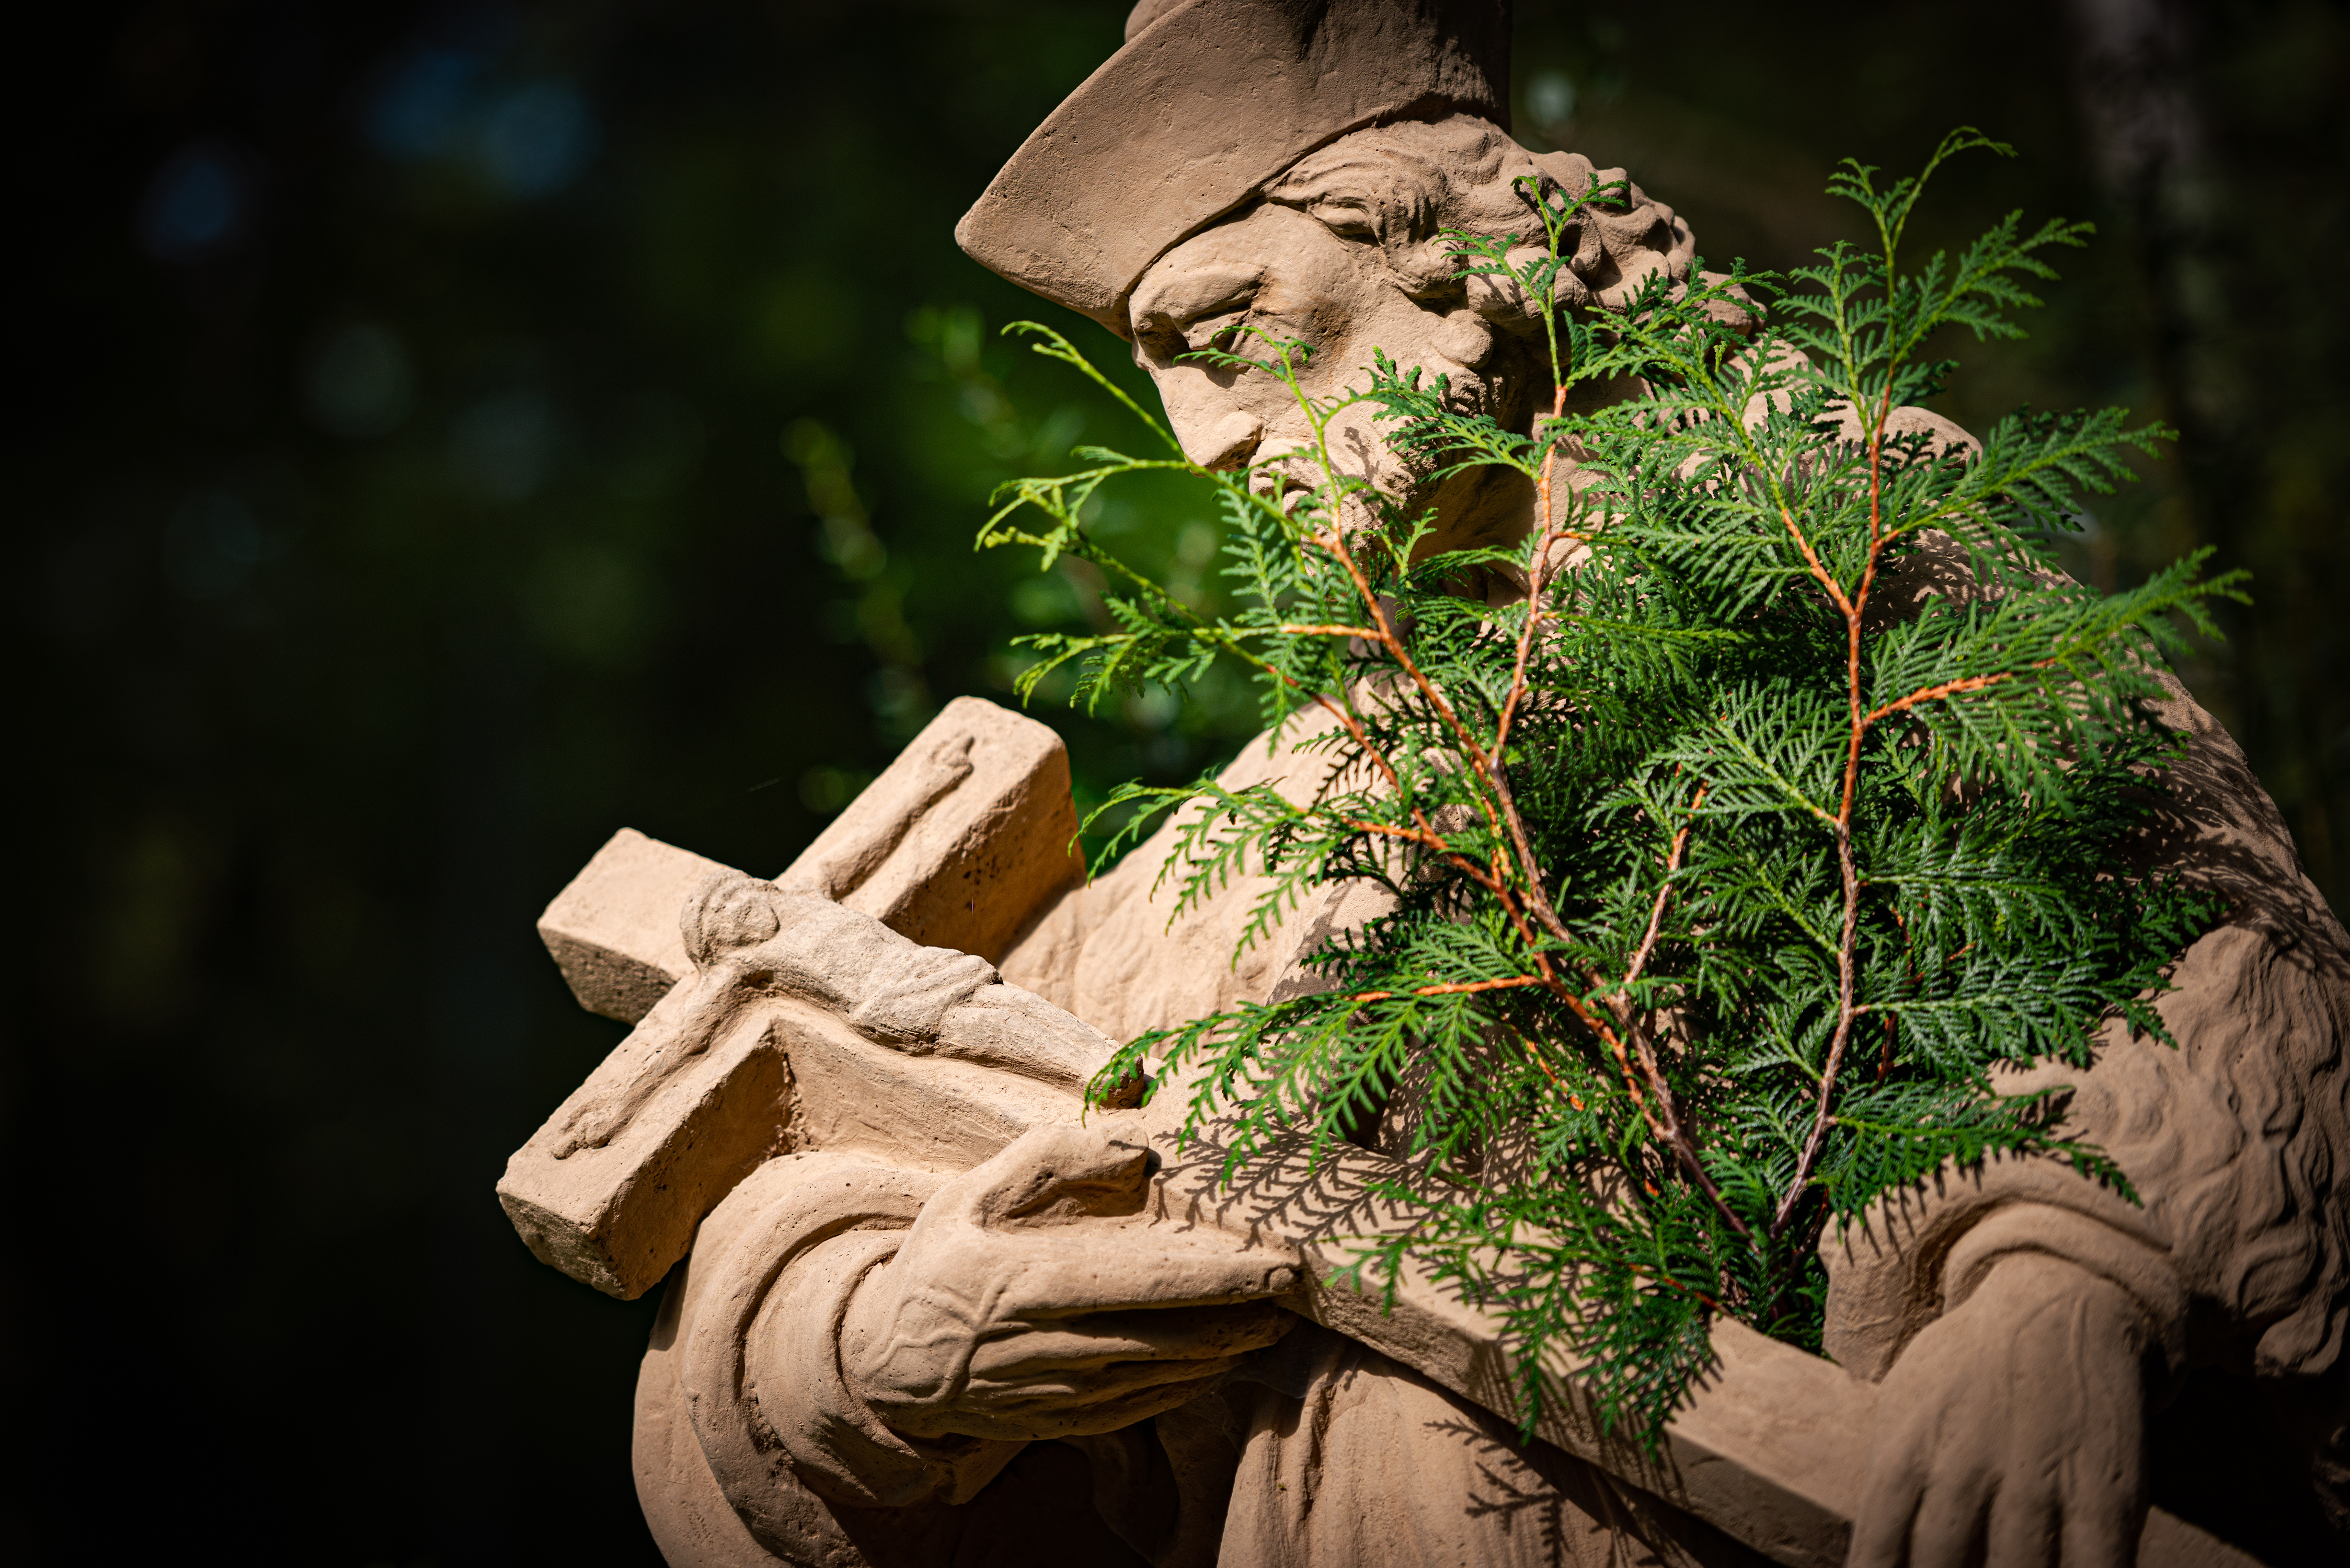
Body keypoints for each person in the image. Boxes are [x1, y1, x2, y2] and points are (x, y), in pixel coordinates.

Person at [642, 4, 2350, 1564]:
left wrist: (2056, 1282)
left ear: (1439, 249)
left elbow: (2193, 928)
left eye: (1223, 328)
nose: (1202, 442)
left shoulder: (1846, 580)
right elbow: (912, 1131)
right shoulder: (1278, 827)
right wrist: (872, 1357)